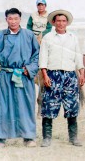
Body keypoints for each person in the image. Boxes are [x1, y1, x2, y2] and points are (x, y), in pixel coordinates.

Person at [0, 8, 40, 149]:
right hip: (5, 75)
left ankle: (28, 137)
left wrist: (29, 69)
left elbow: (37, 55)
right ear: (6, 20)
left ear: (20, 19)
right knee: (2, 106)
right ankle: (0, 138)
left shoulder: (29, 35)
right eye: (10, 18)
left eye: (16, 18)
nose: (13, 21)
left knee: (25, 105)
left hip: (24, 75)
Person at [39, 10, 84, 147]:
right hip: (52, 75)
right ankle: (47, 138)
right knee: (48, 106)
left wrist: (82, 73)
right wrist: (45, 75)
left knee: (72, 106)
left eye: (63, 21)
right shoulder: (48, 38)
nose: (61, 23)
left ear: (67, 23)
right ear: (54, 22)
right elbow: (43, 58)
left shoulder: (73, 38)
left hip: (70, 76)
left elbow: (78, 57)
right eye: (58, 21)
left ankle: (73, 137)